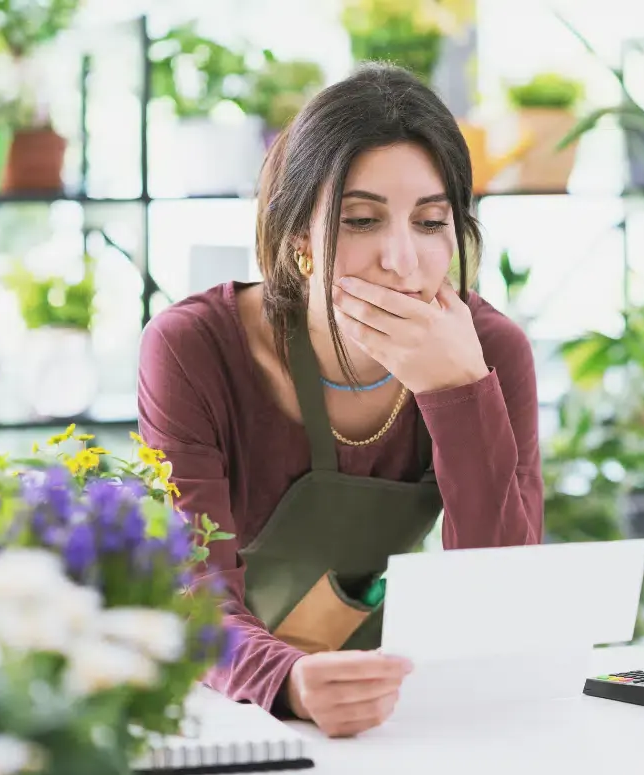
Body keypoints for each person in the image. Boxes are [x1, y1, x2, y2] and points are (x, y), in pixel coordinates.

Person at [137, 62, 543, 739]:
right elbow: (190, 590)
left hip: (394, 712)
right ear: (300, 240)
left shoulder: (489, 351)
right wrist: (287, 680)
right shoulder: (192, 348)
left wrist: (458, 392)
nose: (401, 260)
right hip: (223, 706)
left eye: (431, 221)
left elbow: (505, 603)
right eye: (361, 220)